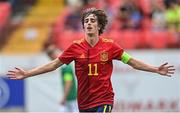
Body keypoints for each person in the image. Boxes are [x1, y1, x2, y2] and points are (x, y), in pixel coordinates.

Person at [7, 8, 175, 112]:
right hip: (84, 102)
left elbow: (132, 62)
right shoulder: (75, 47)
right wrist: (27, 73)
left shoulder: (110, 46)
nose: (89, 23)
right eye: (86, 21)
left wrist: (155, 69)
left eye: (92, 21)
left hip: (104, 99)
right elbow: (53, 64)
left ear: (99, 26)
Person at [46, 45, 78, 112]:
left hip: (71, 98)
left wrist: (64, 97)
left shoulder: (65, 66)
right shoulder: (64, 66)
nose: (51, 60)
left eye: (50, 58)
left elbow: (68, 82)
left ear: (52, 55)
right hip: (70, 98)